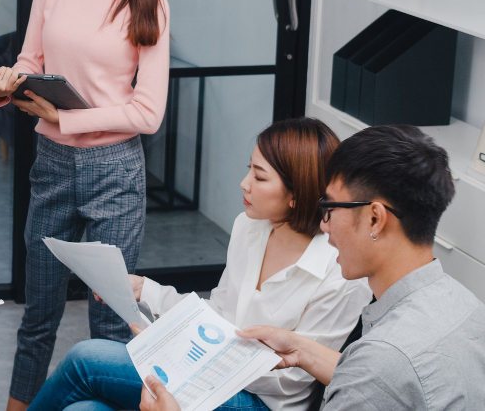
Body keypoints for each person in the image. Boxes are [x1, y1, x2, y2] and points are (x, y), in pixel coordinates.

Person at [27, 117, 371, 411]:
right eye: (248, 169)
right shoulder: (249, 227)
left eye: (260, 177)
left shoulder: (339, 269)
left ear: (298, 194)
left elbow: (294, 379)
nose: (244, 184)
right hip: (209, 373)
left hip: (258, 402)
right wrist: (144, 291)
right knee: (83, 408)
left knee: (86, 359)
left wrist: (181, 357)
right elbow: (216, 318)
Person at [0, 0, 171, 411]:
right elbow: (29, 61)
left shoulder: (149, 0)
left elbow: (148, 112)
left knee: (109, 323)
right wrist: (3, 85)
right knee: (37, 313)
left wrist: (65, 118)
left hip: (114, 171)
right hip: (51, 166)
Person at [149, 125, 485, 411]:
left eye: (329, 206)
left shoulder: (376, 365)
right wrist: (303, 350)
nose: (323, 225)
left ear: (374, 218)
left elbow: (380, 374)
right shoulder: (468, 309)